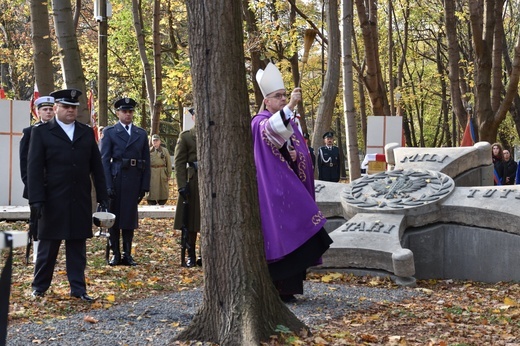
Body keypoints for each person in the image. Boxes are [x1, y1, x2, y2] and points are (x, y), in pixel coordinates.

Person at [252, 62, 332, 302]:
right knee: (284, 240)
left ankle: (290, 288)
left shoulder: (289, 120)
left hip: (290, 190)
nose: (283, 99)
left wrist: (294, 156)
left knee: (305, 236)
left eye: (284, 95)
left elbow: (287, 144)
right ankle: (279, 288)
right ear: (267, 101)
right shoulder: (259, 121)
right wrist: (291, 105)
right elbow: (271, 133)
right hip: (274, 194)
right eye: (278, 96)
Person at [27, 88, 108, 302]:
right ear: (55, 108)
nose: (70, 110)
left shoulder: (85, 131)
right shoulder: (42, 132)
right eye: (65, 106)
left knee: (77, 247)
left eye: (73, 107)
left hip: (79, 198)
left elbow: (96, 167)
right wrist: (35, 199)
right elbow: (34, 168)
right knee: (48, 247)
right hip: (51, 199)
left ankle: (78, 289)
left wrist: (103, 195)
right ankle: (39, 287)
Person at [100, 97, 151, 266]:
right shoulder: (110, 132)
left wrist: (144, 185)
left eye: (130, 111)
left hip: (133, 181)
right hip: (116, 179)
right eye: (124, 111)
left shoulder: (141, 133)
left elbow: (146, 161)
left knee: (129, 219)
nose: (128, 114)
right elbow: (104, 161)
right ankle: (115, 253)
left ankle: (127, 254)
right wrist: (106, 185)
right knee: (114, 219)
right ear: (118, 113)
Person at [19, 96, 55, 263]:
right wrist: (31, 185)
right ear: (38, 112)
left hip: (55, 185)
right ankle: (37, 253)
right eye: (44, 109)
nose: (48, 112)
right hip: (37, 185)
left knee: (53, 219)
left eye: (50, 109)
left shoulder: (59, 132)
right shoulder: (30, 132)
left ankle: (51, 253)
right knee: (36, 220)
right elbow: (24, 162)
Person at [173, 108, 201, 267]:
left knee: (207, 221)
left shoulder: (215, 134)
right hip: (193, 182)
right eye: (197, 114)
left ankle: (206, 255)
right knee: (190, 221)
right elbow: (179, 163)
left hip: (210, 182)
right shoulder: (186, 136)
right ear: (193, 117)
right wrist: (182, 185)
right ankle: (191, 254)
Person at [147, 134, 172, 205]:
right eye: (153, 140)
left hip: (162, 173)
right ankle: (152, 203)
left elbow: (169, 163)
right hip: (152, 173)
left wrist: (169, 174)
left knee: (163, 190)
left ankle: (162, 203)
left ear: (160, 141)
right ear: (151, 141)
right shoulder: (148, 151)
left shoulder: (164, 151)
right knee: (151, 190)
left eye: (156, 140)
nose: (155, 142)